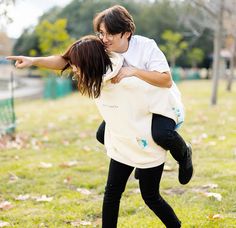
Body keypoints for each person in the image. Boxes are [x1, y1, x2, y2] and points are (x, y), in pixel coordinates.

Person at [6, 5, 193, 186]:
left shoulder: (146, 46)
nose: (104, 38)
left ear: (126, 32)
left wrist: (134, 71)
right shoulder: (103, 49)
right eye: (101, 33)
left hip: (157, 103)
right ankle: (138, 158)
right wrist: (33, 61)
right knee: (102, 134)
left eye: (110, 33)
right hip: (130, 105)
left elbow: (166, 80)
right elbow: (67, 60)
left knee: (161, 134)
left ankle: (184, 154)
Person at [8, 35, 182, 227]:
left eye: (76, 65)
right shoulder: (98, 71)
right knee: (112, 193)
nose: (73, 69)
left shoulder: (125, 81)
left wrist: (161, 135)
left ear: (89, 63)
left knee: (150, 196)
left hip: (145, 142)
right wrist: (33, 61)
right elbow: (64, 61)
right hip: (121, 140)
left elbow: (163, 98)